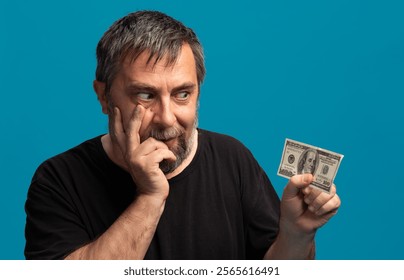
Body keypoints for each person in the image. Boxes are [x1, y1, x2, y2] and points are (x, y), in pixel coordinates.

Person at [24, 10, 341, 260]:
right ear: (104, 97)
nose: (167, 117)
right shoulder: (58, 179)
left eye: (182, 94)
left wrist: (297, 234)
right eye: (145, 95)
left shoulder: (233, 159)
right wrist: (150, 197)